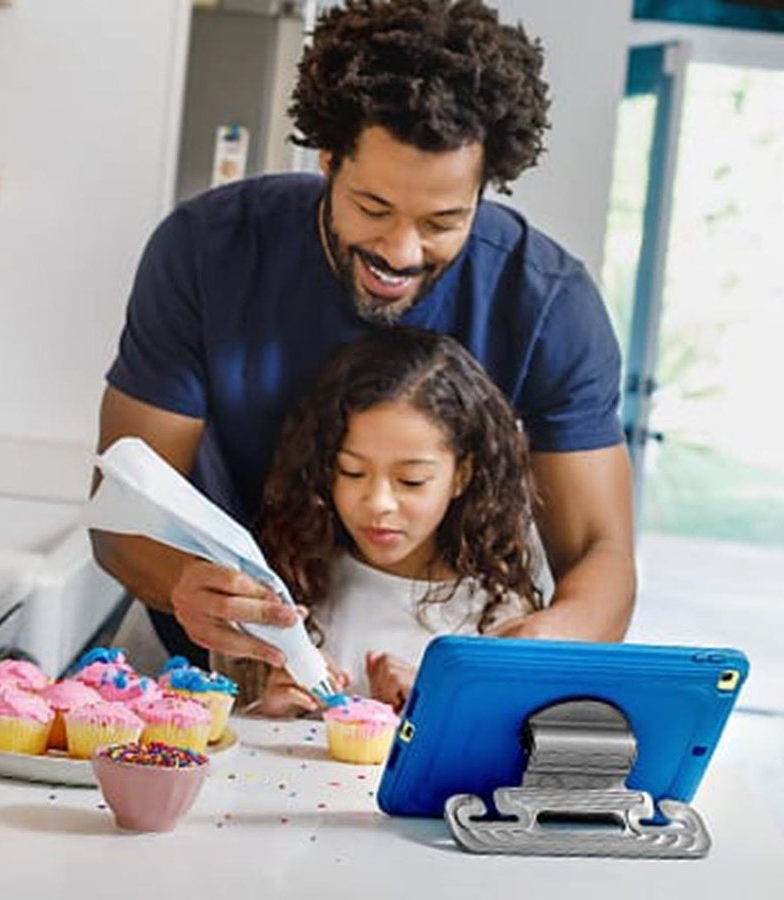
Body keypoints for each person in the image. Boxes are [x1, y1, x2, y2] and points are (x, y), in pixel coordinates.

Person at [91, 0, 635, 670]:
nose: (402, 251)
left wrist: (539, 647)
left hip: (429, 672)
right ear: (327, 159)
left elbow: (602, 558)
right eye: (373, 208)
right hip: (195, 660)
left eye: (442, 221)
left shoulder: (549, 304)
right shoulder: (208, 252)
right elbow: (121, 515)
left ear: (485, 188)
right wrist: (186, 587)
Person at [228, 328, 543, 717]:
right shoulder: (290, 582)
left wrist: (430, 714)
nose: (378, 504)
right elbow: (224, 743)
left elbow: (504, 754)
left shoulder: (500, 614)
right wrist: (269, 713)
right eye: (353, 472)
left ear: (462, 475)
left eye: (411, 481)